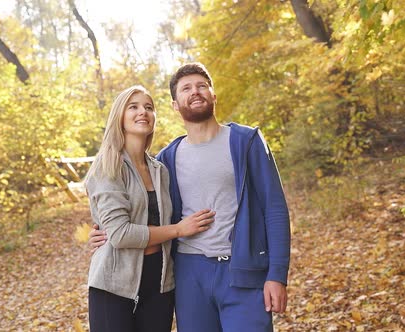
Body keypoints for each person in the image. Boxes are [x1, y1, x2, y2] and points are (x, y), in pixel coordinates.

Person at [89, 63, 291, 332]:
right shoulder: (167, 160)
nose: (195, 92)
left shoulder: (246, 142)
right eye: (186, 88)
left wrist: (277, 274)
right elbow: (135, 210)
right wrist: (102, 231)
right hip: (188, 277)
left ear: (213, 95)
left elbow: (275, 210)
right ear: (175, 105)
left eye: (201, 86)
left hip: (242, 272)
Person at [83, 85, 215, 332]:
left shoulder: (160, 170)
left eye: (149, 107)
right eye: (133, 107)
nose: (142, 112)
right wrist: (178, 230)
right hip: (114, 285)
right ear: (119, 117)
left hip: (160, 285)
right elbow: (120, 234)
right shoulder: (108, 166)